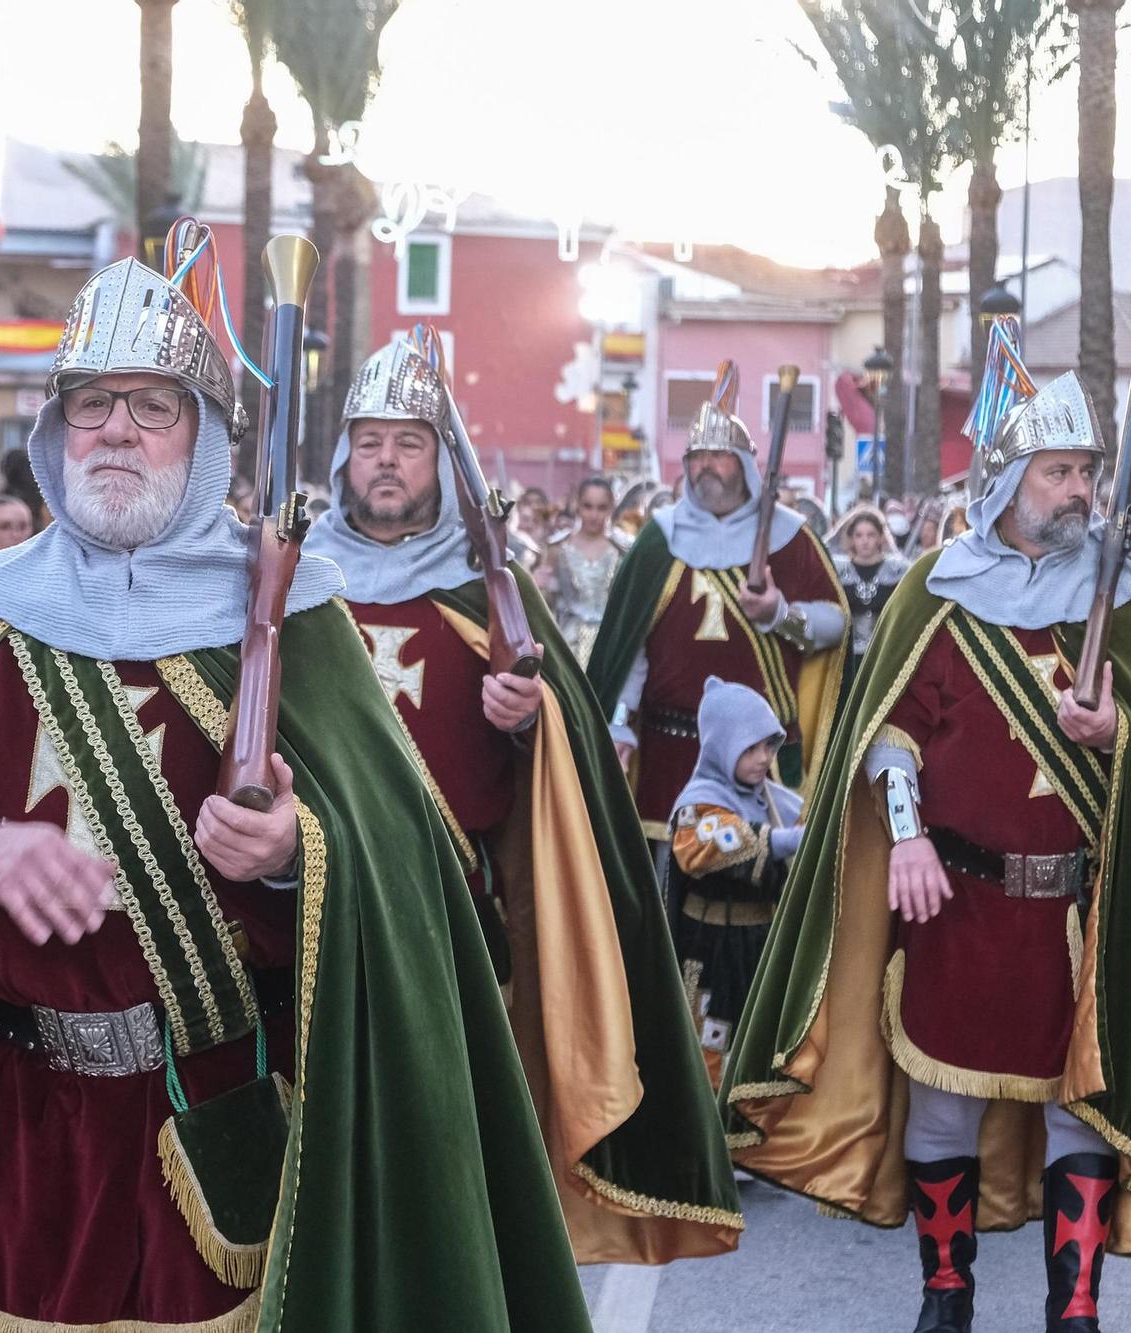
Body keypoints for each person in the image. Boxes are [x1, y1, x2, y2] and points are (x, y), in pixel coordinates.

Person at [0, 257, 594, 1332]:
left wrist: (292, 847)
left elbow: (398, 861)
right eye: (90, 404)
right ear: (55, 433)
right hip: (9, 1105)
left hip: (223, 1094)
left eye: (152, 407)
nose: (115, 430)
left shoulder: (300, 617)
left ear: (204, 440)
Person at [722, 362, 1131, 1333]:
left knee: (1074, 1106)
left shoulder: (1125, 596)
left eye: (1086, 469)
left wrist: (1118, 735)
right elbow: (889, 728)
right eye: (1057, 470)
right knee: (940, 1105)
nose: (1080, 489)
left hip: (1079, 911)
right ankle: (945, 1289)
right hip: (955, 899)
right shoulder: (939, 586)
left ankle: (1075, 1303)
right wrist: (907, 835)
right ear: (1007, 480)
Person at [301, 338, 743, 1264]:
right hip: (306, 901)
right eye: (371, 440)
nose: (387, 459)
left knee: (452, 1131)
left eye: (410, 442)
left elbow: (568, 752)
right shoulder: (290, 584)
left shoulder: (484, 587)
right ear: (344, 456)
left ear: (442, 462)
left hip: (453, 902)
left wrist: (529, 719)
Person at [586, 362, 847, 852]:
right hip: (668, 749)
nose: (705, 465)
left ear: (746, 465)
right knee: (666, 888)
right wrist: (620, 721)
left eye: (719, 456)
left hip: (760, 758)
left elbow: (835, 624)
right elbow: (632, 648)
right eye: (697, 456)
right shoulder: (659, 538)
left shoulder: (790, 537)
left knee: (757, 885)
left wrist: (777, 613)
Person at [667, 677, 803, 1080]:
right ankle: (709, 1129)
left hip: (761, 947)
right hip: (709, 952)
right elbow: (714, 843)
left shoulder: (777, 801)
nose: (764, 758)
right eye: (749, 749)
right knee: (709, 1046)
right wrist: (790, 840)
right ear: (720, 748)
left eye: (768, 745)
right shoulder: (698, 803)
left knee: (760, 1045)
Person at [546, 474, 628, 661]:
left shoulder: (623, 550)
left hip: (610, 644)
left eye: (601, 508)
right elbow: (548, 603)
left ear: (611, 508)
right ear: (577, 505)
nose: (594, 515)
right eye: (588, 506)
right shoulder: (558, 548)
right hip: (567, 645)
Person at [830, 503, 909, 670]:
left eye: (871, 535)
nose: (865, 541)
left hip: (886, 656)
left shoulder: (898, 571)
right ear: (851, 538)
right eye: (859, 535)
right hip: (846, 658)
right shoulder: (837, 571)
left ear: (880, 537)